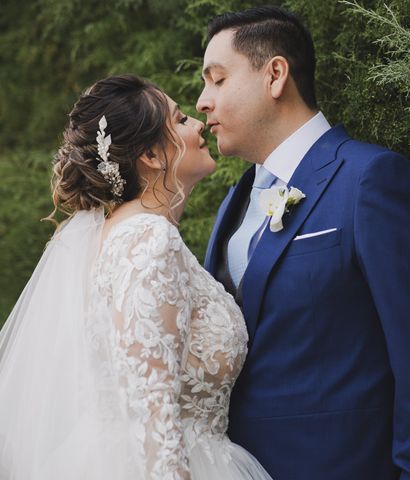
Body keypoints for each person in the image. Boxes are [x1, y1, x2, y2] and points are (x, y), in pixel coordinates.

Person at [197, 6, 410, 480]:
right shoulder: (234, 205)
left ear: (275, 75)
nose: (202, 102)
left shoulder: (371, 181)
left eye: (217, 80)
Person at [0, 74, 272, 479]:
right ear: (151, 154)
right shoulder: (148, 238)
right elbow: (152, 406)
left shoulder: (117, 235)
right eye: (180, 121)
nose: (198, 123)